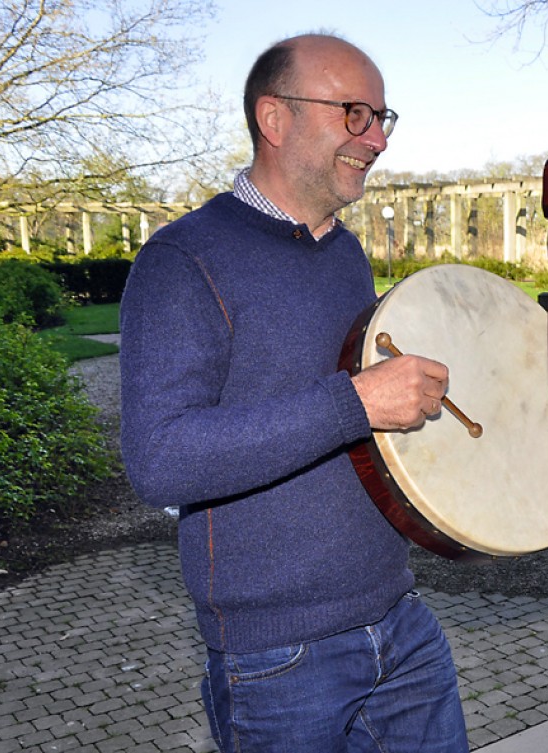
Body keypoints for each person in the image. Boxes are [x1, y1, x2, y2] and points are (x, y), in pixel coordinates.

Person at [119, 34, 469, 752]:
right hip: (276, 658)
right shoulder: (183, 260)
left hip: (400, 620)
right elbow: (160, 458)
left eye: (382, 118)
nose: (376, 139)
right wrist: (356, 401)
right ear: (273, 119)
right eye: (354, 114)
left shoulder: (344, 252)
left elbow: (352, 428)